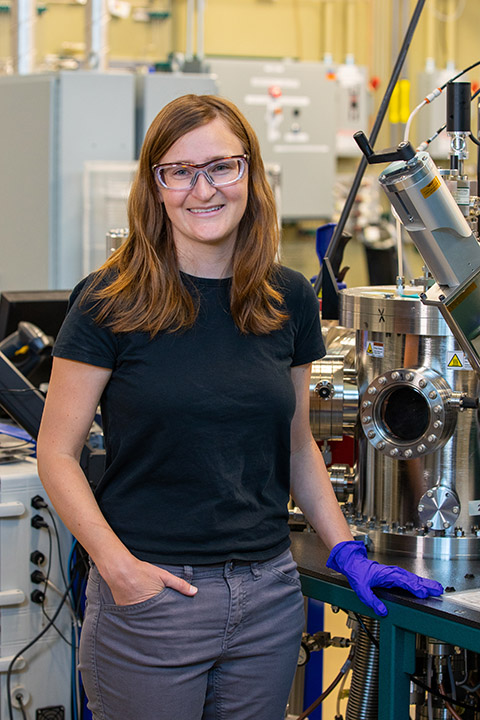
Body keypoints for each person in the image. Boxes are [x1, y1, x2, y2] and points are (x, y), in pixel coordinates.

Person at [37, 94, 443, 720]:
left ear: (250, 173)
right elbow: (57, 454)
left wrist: (345, 551)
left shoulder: (286, 297)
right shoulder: (108, 301)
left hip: (268, 597)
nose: (203, 189)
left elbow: (297, 443)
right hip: (153, 598)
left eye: (221, 166)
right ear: (156, 186)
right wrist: (118, 569)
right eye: (180, 171)